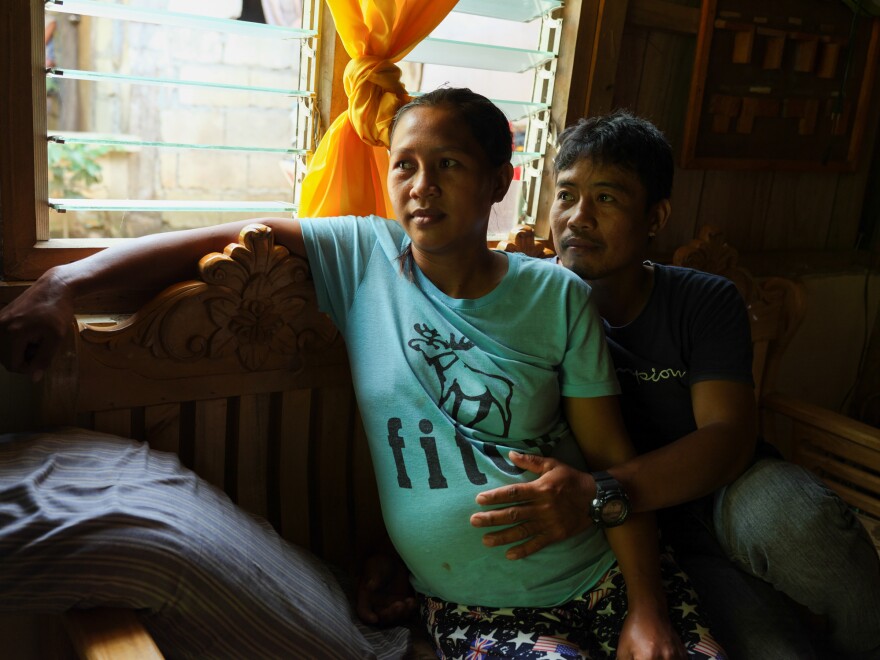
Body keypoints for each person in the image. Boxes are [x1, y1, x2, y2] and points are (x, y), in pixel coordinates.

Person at [0, 88, 723, 658]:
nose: (421, 185)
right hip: (477, 605)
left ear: (499, 182)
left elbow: (610, 462)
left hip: (598, 572)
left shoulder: (558, 296)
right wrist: (69, 282)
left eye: (449, 165)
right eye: (404, 164)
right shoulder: (366, 259)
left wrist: (648, 609)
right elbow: (226, 238)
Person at [469, 110, 880, 659]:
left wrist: (601, 490)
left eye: (607, 199)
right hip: (639, 537)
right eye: (565, 195)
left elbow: (726, 439)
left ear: (656, 217)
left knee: (800, 522)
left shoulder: (702, 300)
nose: (577, 218)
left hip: (729, 495)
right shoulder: (528, 313)